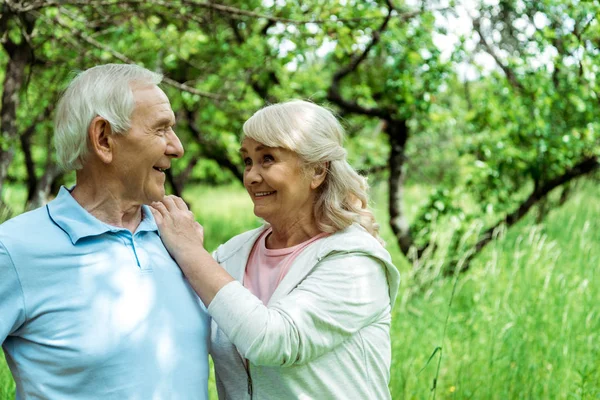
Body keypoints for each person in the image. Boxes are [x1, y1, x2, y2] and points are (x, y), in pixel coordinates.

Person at [151, 100, 401, 399]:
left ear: (317, 171)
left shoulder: (356, 262)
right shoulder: (231, 255)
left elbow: (274, 341)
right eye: (247, 161)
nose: (251, 176)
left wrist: (190, 251)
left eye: (267, 158)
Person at [0, 64, 210, 399]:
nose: (177, 147)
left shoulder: (177, 235)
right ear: (103, 139)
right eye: (161, 130)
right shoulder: (14, 249)